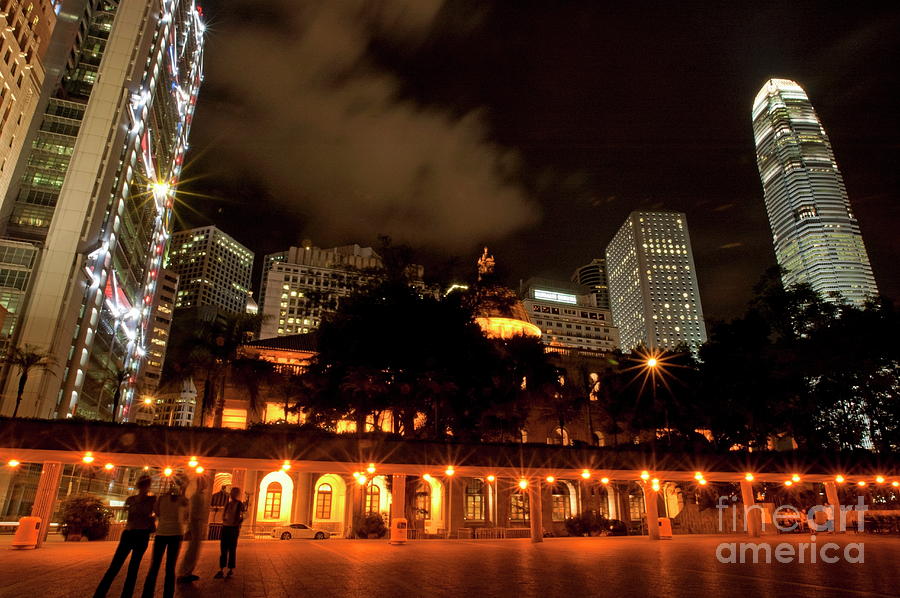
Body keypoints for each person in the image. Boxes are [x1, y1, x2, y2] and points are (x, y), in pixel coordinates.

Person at [94, 475, 156, 598]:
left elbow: (129, 515)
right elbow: (153, 515)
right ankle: (126, 594)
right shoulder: (152, 500)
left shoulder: (131, 500)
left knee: (115, 565)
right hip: (141, 534)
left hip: (129, 533)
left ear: (138, 485)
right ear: (148, 485)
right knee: (133, 568)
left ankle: (100, 593)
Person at [141, 476, 189, 598]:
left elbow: (157, 512)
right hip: (176, 534)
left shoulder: (161, 499)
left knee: (154, 565)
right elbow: (186, 516)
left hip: (161, 533)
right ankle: (168, 594)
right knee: (170, 567)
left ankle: (147, 594)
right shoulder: (183, 500)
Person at [176, 473, 210, 583]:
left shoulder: (200, 495)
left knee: (195, 550)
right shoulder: (196, 496)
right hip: (196, 524)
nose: (207, 484)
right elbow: (192, 514)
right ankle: (184, 573)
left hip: (198, 524)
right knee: (192, 549)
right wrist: (190, 528)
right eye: (205, 482)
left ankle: (188, 572)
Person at [215, 486, 248, 579]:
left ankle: (230, 569)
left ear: (237, 494)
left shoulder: (240, 504)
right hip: (225, 527)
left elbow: (245, 515)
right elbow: (224, 514)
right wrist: (224, 520)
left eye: (234, 493)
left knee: (232, 549)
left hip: (233, 529)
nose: (232, 494)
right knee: (223, 548)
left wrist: (238, 522)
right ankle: (221, 569)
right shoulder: (228, 504)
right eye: (232, 492)